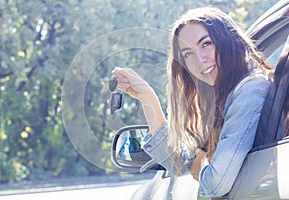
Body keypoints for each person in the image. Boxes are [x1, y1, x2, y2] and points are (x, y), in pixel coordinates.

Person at [112, 7, 272, 198]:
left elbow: (215, 184)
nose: (200, 60)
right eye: (188, 54)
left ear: (226, 42)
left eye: (206, 44)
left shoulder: (251, 88)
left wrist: (201, 161)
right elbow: (179, 164)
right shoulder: (219, 98)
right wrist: (146, 96)